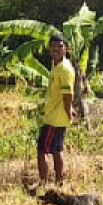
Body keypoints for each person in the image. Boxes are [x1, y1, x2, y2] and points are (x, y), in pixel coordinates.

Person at [38, 33, 75, 187]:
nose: (56, 49)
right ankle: (59, 183)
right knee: (56, 149)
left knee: (42, 150)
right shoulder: (57, 66)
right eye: (53, 46)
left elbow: (68, 95)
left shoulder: (64, 69)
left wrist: (68, 113)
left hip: (55, 118)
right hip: (54, 116)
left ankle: (44, 184)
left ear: (66, 49)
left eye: (60, 46)